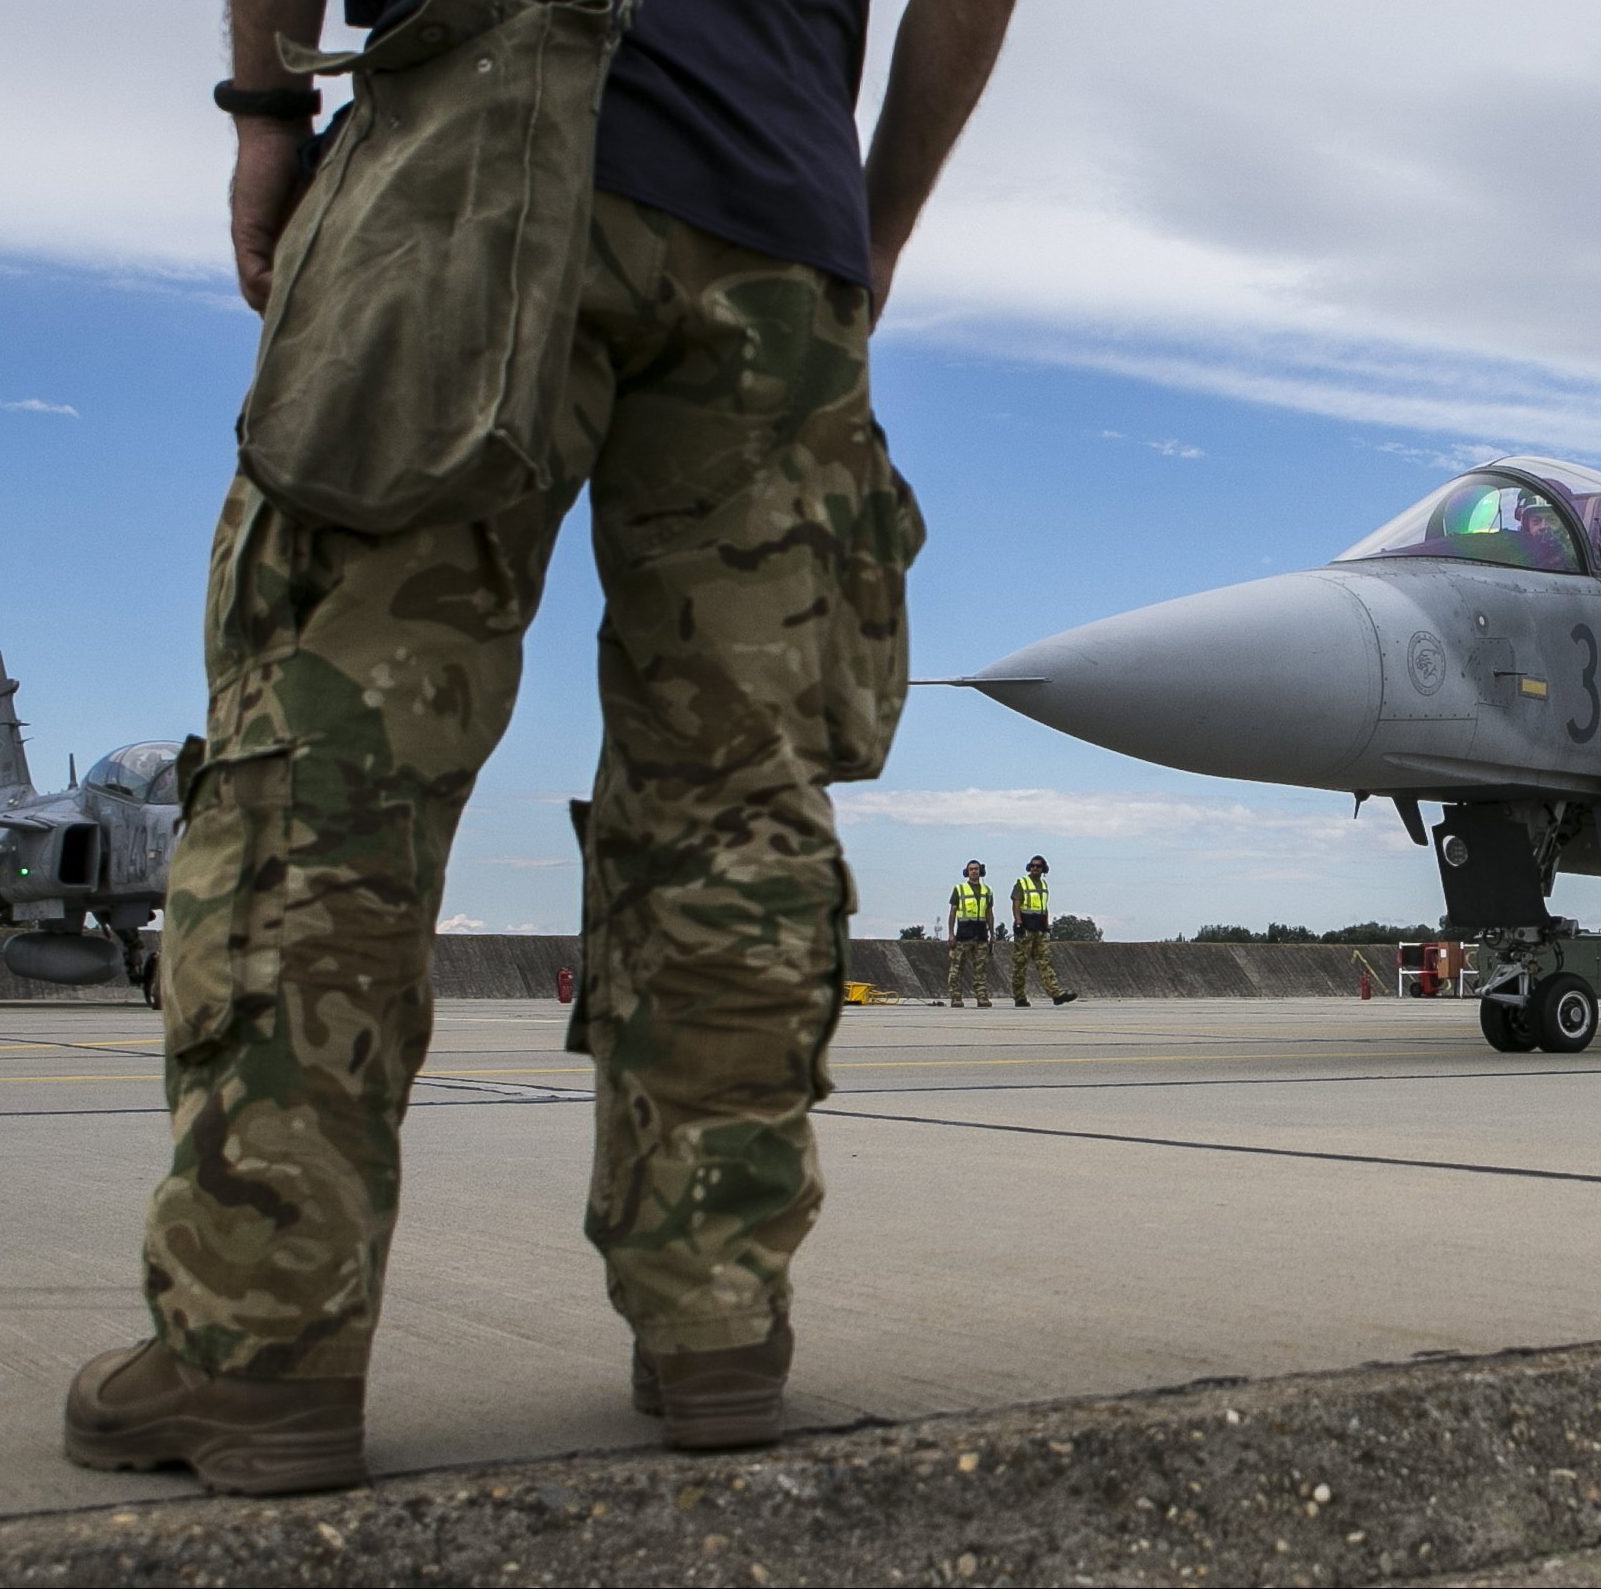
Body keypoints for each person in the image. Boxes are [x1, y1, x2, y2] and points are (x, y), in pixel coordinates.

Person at [62, 0, 1016, 1496]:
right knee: (739, 803)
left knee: (329, 767)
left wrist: (264, 110)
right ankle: (717, 1321)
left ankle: (260, 1343)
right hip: (779, 224)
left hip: (487, 152)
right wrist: (863, 220)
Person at [1006, 854, 1076, 1006]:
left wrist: (1046, 925)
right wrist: (1018, 923)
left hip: (1040, 929)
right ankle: (1019, 997)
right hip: (1025, 928)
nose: (1035, 868)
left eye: (1038, 866)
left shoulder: (1044, 885)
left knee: (1044, 962)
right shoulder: (1022, 883)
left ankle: (1056, 994)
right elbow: (1016, 903)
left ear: (1044, 869)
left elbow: (1044, 907)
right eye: (1033, 866)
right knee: (1020, 964)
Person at [945, 858, 998, 1007]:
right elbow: (953, 912)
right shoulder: (959, 889)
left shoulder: (988, 891)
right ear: (967, 872)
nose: (974, 871)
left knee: (980, 969)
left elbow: (989, 913)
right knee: (957, 968)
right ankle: (956, 997)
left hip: (981, 934)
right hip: (963, 935)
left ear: (981, 871)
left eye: (976, 869)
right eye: (971, 869)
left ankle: (982, 997)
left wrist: (992, 934)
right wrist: (951, 933)